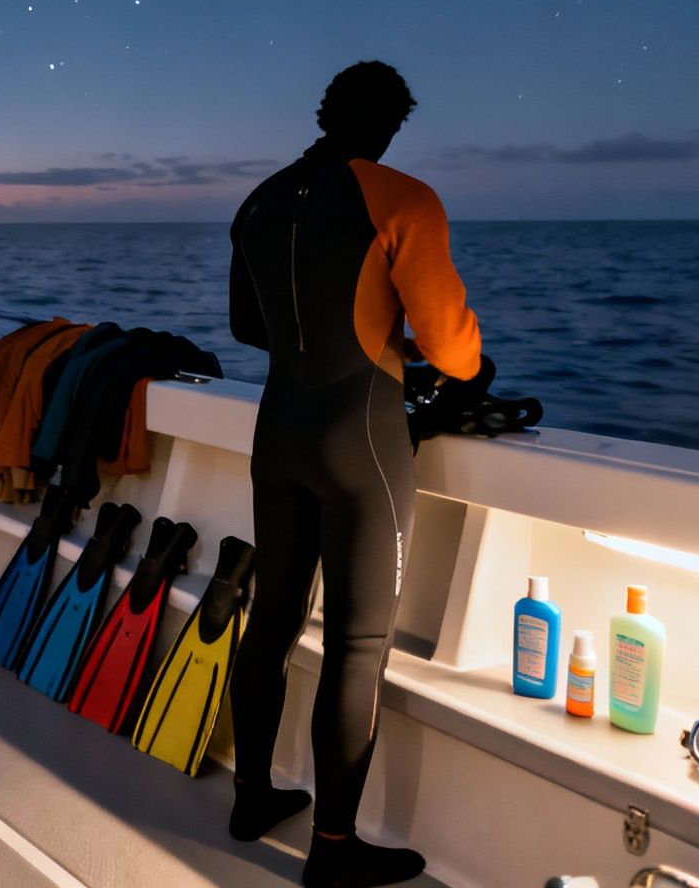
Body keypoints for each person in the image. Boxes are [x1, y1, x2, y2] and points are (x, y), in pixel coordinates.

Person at [227, 60, 481, 888]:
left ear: (326, 112)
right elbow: (452, 350)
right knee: (357, 645)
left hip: (279, 434)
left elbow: (245, 324)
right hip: (362, 441)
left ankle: (252, 798)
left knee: (271, 621)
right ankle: (332, 853)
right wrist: (428, 357)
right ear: (391, 125)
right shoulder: (404, 198)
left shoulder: (258, 201)